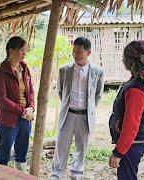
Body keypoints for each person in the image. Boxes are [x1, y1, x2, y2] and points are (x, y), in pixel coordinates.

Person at [108, 40, 144, 180]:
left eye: (124, 57)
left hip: (133, 143)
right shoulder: (138, 81)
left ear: (132, 61)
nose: (122, 60)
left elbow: (131, 126)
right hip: (135, 141)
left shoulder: (136, 89)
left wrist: (118, 152)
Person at [50, 37, 105, 180]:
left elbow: (98, 95)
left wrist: (88, 109)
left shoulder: (98, 72)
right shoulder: (64, 70)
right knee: (61, 147)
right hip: (68, 114)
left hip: (85, 116)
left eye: (79, 52)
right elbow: (61, 92)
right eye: (74, 51)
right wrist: (69, 106)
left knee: (82, 147)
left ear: (88, 52)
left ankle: (76, 174)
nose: (76, 55)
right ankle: (56, 175)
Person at [0, 36, 35, 171]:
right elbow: (3, 100)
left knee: (21, 155)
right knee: (3, 156)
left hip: (25, 118)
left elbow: (31, 92)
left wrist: (31, 108)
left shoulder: (25, 70)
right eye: (21, 50)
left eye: (25, 50)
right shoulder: (1, 73)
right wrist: (22, 111)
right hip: (8, 120)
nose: (24, 53)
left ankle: (21, 175)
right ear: (11, 51)